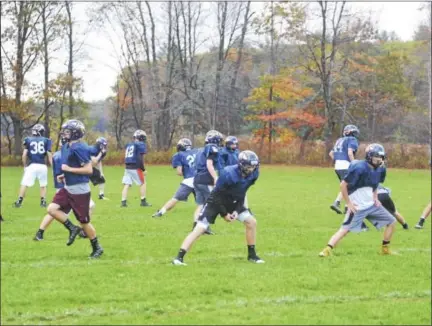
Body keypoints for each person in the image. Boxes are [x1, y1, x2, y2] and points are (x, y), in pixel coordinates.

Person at [172, 150, 264, 266]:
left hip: (233, 201)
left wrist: (236, 210)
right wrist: (224, 214)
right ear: (241, 164)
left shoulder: (254, 174)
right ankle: (178, 258)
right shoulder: (228, 173)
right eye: (249, 166)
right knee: (200, 228)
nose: (252, 169)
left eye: (254, 166)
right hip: (215, 202)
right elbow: (216, 195)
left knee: (251, 222)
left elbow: (242, 193)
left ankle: (252, 255)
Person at [319, 143, 397, 257]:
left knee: (391, 222)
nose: (379, 159)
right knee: (344, 230)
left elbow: (375, 184)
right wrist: (348, 203)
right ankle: (326, 249)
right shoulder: (359, 167)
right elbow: (343, 185)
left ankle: (385, 249)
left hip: (371, 205)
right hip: (358, 207)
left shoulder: (380, 169)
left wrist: (375, 197)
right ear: (369, 156)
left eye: (381, 157)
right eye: (377, 156)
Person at [46, 119, 103, 258]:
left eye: (67, 131)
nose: (64, 134)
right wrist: (64, 175)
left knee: (84, 222)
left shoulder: (78, 148)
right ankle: (72, 228)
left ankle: (97, 247)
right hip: (68, 187)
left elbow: (88, 169)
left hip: (80, 190)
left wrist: (69, 169)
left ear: (75, 134)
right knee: (52, 209)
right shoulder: (67, 146)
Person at [33, 135, 96, 241]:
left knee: (54, 211)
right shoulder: (68, 152)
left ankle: (41, 232)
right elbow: (78, 168)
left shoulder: (60, 153)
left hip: (65, 185)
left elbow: (60, 170)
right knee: (57, 211)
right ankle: (81, 230)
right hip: (71, 187)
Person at [152, 138, 199, 218]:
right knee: (204, 201)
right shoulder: (197, 152)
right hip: (200, 179)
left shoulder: (178, 155)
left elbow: (179, 172)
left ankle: (160, 212)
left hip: (189, 181)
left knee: (175, 198)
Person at [192, 130, 224, 234]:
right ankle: (203, 226)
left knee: (201, 204)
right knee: (210, 204)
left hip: (197, 179)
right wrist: (215, 177)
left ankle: (196, 224)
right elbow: (209, 164)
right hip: (205, 180)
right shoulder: (212, 148)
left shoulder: (200, 150)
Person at [14, 124, 53, 208]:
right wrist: (53, 166)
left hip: (32, 165)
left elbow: (24, 155)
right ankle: (43, 202)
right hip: (42, 165)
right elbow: (49, 155)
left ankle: (19, 202)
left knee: (24, 183)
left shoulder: (28, 139)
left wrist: (25, 166)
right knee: (43, 184)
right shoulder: (47, 140)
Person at [329, 125, 360, 215]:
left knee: (347, 186)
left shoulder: (339, 140)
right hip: (346, 166)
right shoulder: (352, 140)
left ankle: (346, 207)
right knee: (351, 186)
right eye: (354, 132)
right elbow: (350, 152)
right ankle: (337, 203)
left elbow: (331, 153)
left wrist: (338, 160)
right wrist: (354, 163)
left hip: (337, 166)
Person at [121, 130, 151, 207]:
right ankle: (143, 201)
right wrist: (143, 169)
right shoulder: (140, 144)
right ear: (142, 138)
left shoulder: (129, 145)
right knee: (143, 183)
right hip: (135, 167)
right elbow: (140, 158)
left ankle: (123, 202)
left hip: (127, 167)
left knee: (127, 184)